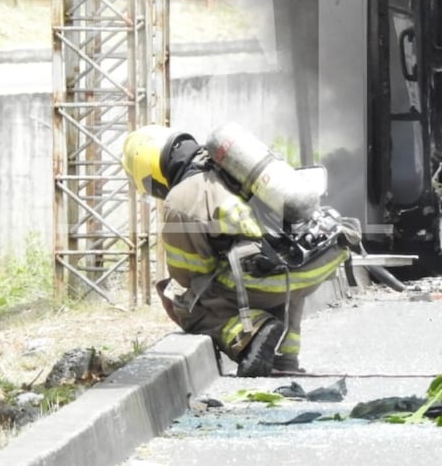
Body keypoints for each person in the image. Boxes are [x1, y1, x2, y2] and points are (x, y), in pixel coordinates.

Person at [121, 125, 352, 377]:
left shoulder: (180, 200)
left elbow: (190, 274)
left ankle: (251, 336)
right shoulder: (227, 167)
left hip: (278, 276)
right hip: (316, 258)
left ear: (152, 173)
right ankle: (285, 356)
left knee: (191, 306)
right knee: (264, 256)